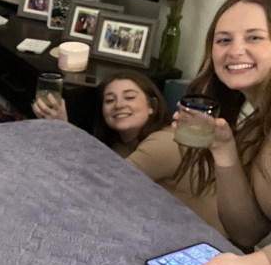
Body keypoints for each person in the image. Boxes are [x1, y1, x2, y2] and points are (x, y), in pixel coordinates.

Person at [32, 70, 228, 235]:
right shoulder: (120, 144)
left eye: (130, 97)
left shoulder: (164, 143)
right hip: (167, 229)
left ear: (152, 106)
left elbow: (100, 188)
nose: (118, 105)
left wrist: (63, 129)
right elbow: (90, 169)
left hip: (210, 244)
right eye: (110, 100)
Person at [172, 0, 271, 265]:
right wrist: (223, 148)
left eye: (254, 37)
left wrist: (255, 264)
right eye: (224, 40)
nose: (235, 50)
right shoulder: (255, 126)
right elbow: (246, 233)